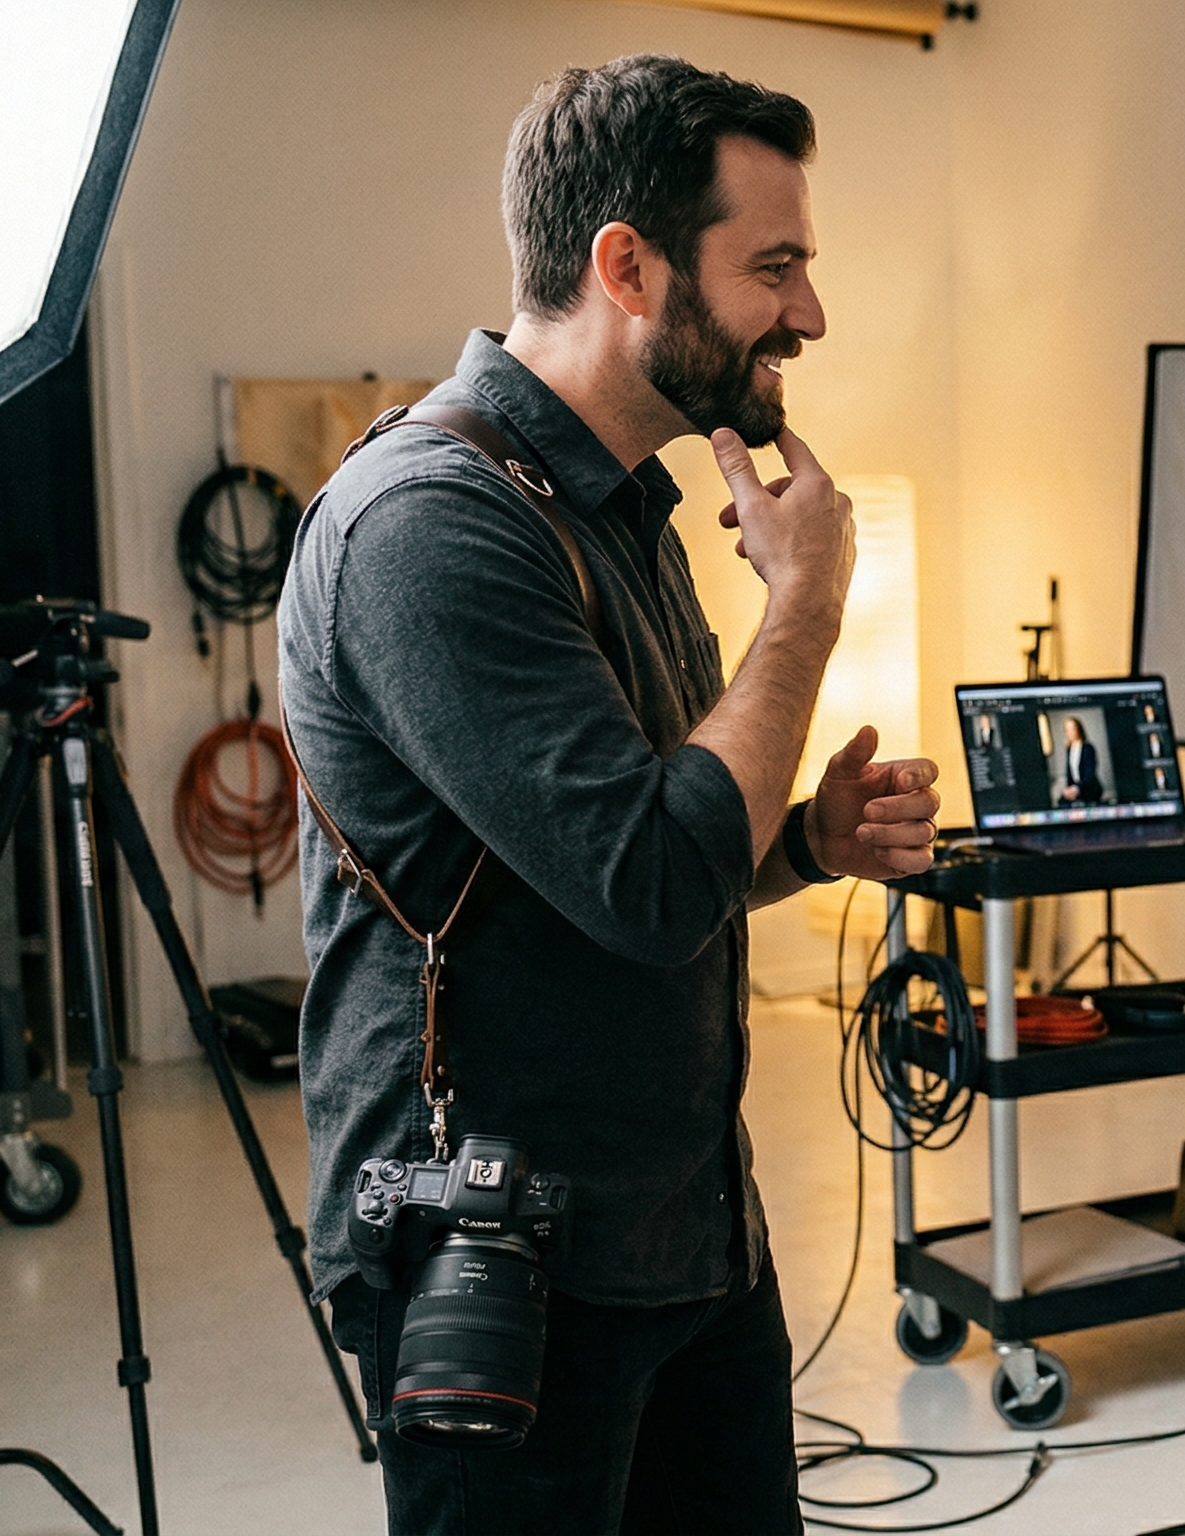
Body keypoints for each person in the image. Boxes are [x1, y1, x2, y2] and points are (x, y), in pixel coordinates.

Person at [277, 56, 939, 1535]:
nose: (811, 316)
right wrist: (808, 607)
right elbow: (647, 887)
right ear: (625, 266)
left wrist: (805, 844)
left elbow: (653, 843)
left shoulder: (621, 507)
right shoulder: (427, 528)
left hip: (685, 1239)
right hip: (504, 1272)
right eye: (774, 266)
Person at [1056, 714, 1104, 804]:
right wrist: (1068, 789)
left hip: (1089, 788)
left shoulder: (1088, 748)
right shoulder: (1069, 749)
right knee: (1061, 803)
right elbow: (1069, 773)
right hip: (1075, 788)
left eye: (1072, 729)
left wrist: (1076, 788)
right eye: (1067, 730)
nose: (1070, 732)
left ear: (1078, 729)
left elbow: (1089, 774)